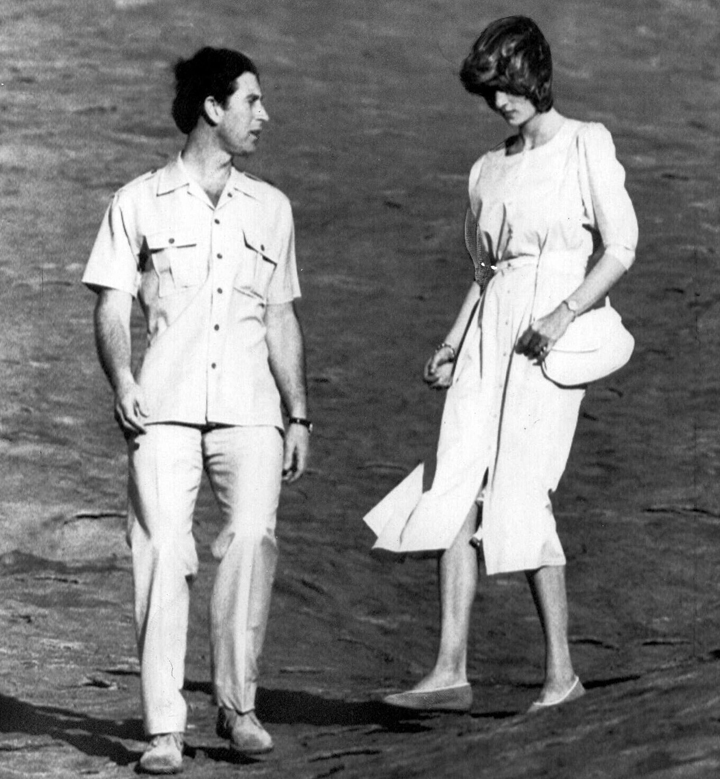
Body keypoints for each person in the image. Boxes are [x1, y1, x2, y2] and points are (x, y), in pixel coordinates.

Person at [365, 16, 637, 714]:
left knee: (520, 489)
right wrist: (455, 341)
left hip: (551, 339)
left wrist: (563, 313)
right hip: (491, 333)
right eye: (490, 92)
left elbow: (621, 247)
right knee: (454, 482)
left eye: (509, 88)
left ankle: (561, 674)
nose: (500, 104)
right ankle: (450, 667)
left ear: (536, 75)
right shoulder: (487, 169)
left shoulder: (585, 144)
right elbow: (486, 272)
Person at [83, 46, 311, 773]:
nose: (263, 117)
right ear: (213, 108)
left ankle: (238, 705)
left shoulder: (270, 208)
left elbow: (280, 316)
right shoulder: (138, 200)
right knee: (161, 553)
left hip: (252, 409)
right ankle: (164, 729)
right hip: (164, 407)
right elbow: (113, 303)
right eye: (252, 101)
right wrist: (121, 377)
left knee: (251, 540)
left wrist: (298, 413)